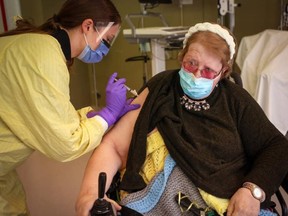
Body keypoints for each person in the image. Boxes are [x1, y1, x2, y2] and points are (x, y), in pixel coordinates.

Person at [75, 22, 288, 216]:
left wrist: (252, 190)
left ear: (223, 72)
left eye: (208, 71)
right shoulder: (160, 88)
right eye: (191, 63)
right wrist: (89, 194)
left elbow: (277, 146)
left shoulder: (235, 100)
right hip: (155, 203)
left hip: (225, 203)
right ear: (181, 57)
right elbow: (113, 145)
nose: (196, 75)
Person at [0, 0, 140, 215]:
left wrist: (100, 114)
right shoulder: (43, 56)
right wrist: (108, 115)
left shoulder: (34, 44)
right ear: (87, 26)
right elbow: (66, 144)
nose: (106, 49)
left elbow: (46, 112)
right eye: (107, 40)